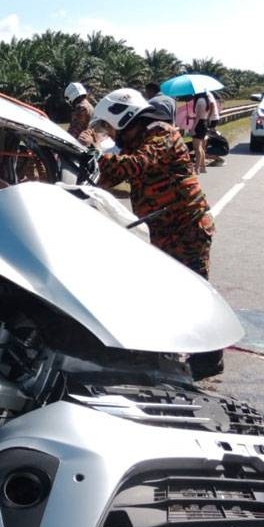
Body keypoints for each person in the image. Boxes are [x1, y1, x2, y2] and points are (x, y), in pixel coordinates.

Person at [79, 88, 222, 379]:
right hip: (163, 229)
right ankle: (168, 349)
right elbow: (109, 176)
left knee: (195, 293)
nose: (109, 133)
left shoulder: (162, 134)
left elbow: (135, 165)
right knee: (165, 292)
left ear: (124, 117)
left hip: (187, 228)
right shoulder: (138, 140)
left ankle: (209, 360)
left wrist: (94, 153)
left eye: (108, 126)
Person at [191, 91, 212, 174]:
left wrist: (193, 128)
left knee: (197, 147)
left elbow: (198, 116)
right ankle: (202, 166)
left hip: (199, 124)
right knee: (200, 147)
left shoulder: (200, 100)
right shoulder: (206, 100)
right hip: (204, 122)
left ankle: (197, 168)